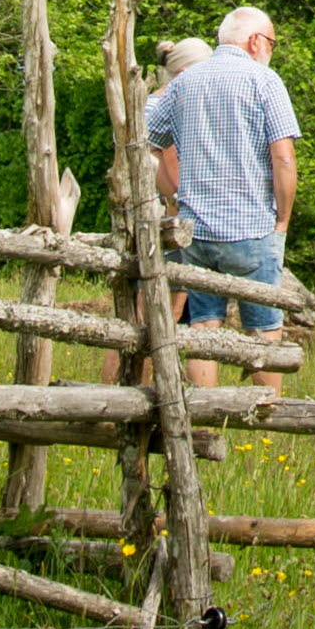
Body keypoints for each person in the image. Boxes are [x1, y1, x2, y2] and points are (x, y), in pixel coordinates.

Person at [145, 5, 300, 389]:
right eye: (272, 42)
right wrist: (283, 218)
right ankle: (267, 418)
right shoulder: (264, 81)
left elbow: (146, 146)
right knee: (264, 329)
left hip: (197, 229)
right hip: (252, 227)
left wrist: (174, 197)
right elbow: (283, 156)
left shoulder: (185, 82)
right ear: (254, 41)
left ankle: (202, 414)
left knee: (204, 328)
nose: (271, 50)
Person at [107, 37, 210, 384]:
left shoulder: (147, 106)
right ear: (183, 72)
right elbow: (167, 170)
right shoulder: (170, 105)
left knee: (136, 315)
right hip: (162, 219)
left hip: (135, 216)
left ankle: (123, 389)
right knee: (159, 312)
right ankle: (138, 390)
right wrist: (180, 203)